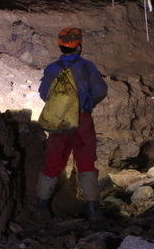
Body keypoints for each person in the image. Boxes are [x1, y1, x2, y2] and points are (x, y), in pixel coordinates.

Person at [36, 26, 108, 220]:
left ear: (61, 47)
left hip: (59, 120)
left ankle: (41, 206)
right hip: (82, 119)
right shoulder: (87, 67)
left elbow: (44, 94)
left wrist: (62, 106)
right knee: (85, 161)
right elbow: (100, 91)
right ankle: (93, 210)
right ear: (79, 47)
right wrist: (86, 104)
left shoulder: (52, 69)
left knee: (53, 160)